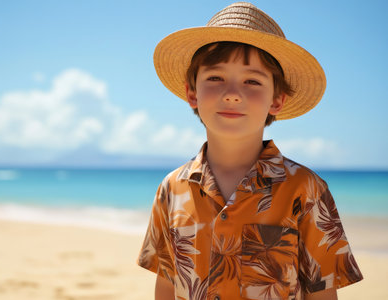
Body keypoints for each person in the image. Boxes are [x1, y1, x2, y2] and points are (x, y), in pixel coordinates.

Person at [137, 2, 363, 300]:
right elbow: (166, 285)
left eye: (252, 81)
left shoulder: (306, 190)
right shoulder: (171, 189)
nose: (232, 93)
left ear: (277, 100)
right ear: (192, 92)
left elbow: (322, 293)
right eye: (215, 78)